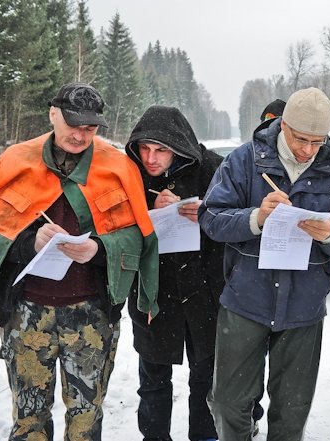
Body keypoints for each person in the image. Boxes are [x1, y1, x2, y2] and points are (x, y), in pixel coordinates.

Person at [0, 82, 159, 440]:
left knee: (86, 420)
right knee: (29, 419)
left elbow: (137, 235)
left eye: (90, 128)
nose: (80, 136)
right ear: (52, 114)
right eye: (73, 125)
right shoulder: (16, 161)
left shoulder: (119, 168)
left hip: (91, 315)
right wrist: (30, 243)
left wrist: (100, 248)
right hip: (26, 313)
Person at [201, 87, 330, 441]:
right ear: (283, 125)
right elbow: (211, 218)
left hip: (303, 308)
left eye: (317, 141)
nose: (307, 149)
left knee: (291, 412)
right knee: (229, 403)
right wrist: (256, 217)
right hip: (246, 301)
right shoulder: (244, 161)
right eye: (300, 138)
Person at [125, 105, 225, 441]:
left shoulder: (212, 169)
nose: (151, 158)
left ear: (178, 148)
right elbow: (117, 230)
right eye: (145, 149)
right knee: (153, 377)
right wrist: (147, 211)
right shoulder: (131, 175)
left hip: (205, 291)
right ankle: (154, 437)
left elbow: (235, 222)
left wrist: (207, 216)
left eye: (161, 150)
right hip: (154, 292)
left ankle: (205, 436)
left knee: (206, 376)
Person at [251, 97, 286, 437]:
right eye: (267, 124)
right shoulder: (248, 165)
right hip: (253, 284)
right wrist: (257, 216)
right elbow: (220, 218)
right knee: (251, 360)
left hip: (291, 288)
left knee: (284, 368)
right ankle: (253, 410)